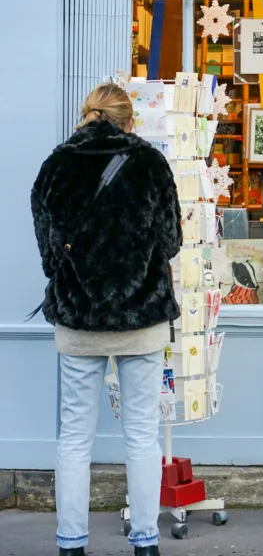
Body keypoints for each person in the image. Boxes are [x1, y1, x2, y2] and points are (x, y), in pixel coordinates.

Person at [30, 83, 182, 556]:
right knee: (141, 435)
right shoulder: (150, 164)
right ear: (129, 119)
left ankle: (71, 544)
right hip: (142, 318)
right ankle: (145, 543)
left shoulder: (57, 164)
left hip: (79, 321)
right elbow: (172, 239)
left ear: (88, 115)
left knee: (75, 435)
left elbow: (47, 244)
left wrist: (71, 277)